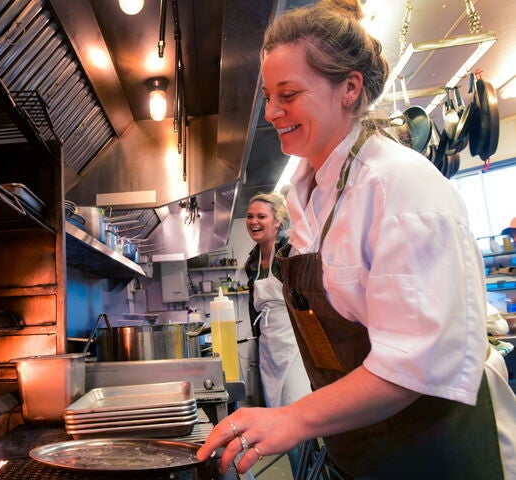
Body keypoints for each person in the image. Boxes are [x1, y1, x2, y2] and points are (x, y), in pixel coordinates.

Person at [197, 0, 516, 478]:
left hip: (437, 449)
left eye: (288, 93)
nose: (272, 111)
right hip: (366, 447)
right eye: (268, 95)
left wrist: (295, 418)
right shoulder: (307, 190)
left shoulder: (400, 187)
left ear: (349, 88)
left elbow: (416, 364)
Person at [244, 191, 311, 475]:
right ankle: (300, 474)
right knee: (278, 421)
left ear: (277, 222)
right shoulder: (251, 261)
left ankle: (308, 473)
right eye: (249, 216)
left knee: (298, 419)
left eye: (261, 216)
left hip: (295, 341)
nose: (254, 222)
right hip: (269, 346)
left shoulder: (290, 252)